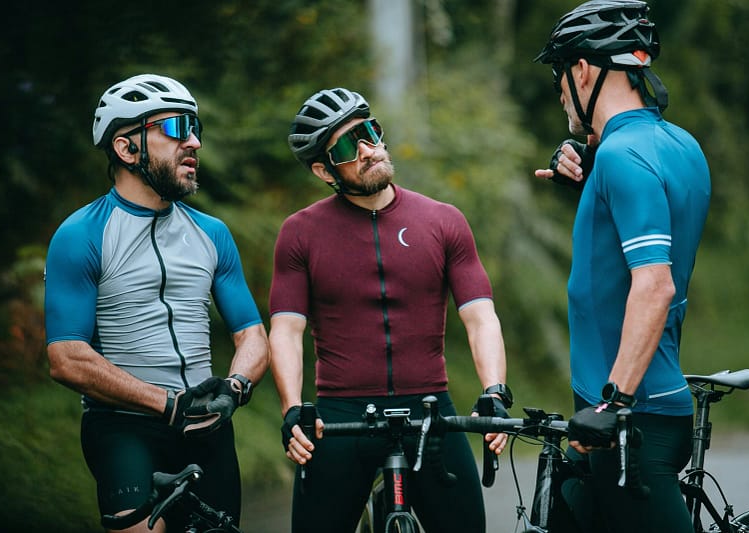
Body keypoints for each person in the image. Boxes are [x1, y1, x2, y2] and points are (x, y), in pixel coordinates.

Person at [269, 87, 513, 533]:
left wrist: (494, 390)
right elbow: (285, 330)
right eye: (347, 145)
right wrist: (292, 409)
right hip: (341, 415)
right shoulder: (300, 233)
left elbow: (480, 318)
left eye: (368, 132)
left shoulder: (443, 220)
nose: (366, 149)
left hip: (429, 409)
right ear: (325, 170)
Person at [44, 74, 269, 532]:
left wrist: (236, 386)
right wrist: (167, 404)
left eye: (195, 129)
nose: (193, 142)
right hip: (123, 429)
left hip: (208, 429)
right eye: (175, 128)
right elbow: (66, 358)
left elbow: (252, 335)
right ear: (127, 149)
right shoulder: (81, 235)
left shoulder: (212, 233)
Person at [533, 1, 711, 532]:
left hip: (630, 415)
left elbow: (655, 286)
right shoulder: (680, 146)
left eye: (561, 76)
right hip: (635, 408)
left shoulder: (621, 158)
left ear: (583, 70)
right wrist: (590, 178)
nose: (560, 91)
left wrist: (613, 404)